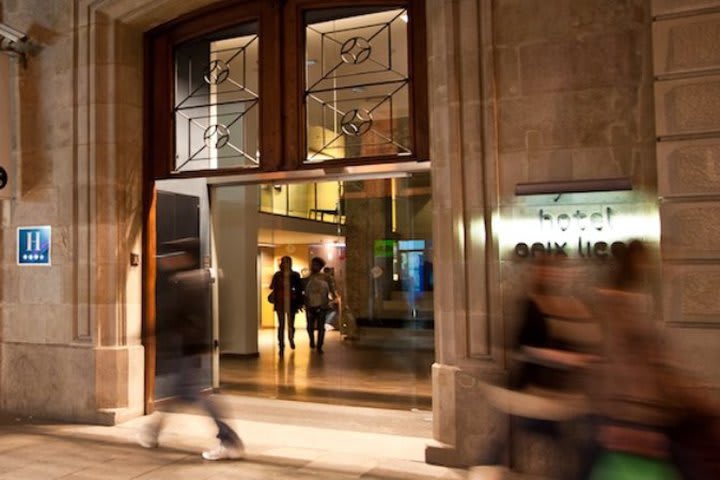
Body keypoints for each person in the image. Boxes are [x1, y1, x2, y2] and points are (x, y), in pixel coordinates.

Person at [138, 238, 244, 461]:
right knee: (181, 394)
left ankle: (229, 440)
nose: (168, 260)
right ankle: (153, 431)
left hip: (187, 348)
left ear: (185, 257)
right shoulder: (195, 280)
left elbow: (174, 317)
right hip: (190, 348)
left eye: (173, 255)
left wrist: (149, 333)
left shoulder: (186, 282)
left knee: (195, 396)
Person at [268, 256, 303, 356]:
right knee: (281, 325)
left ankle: (291, 339)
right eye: (284, 262)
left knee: (291, 324)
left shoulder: (295, 275)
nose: (285, 264)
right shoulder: (278, 275)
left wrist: (299, 301)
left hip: (291, 302)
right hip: (280, 302)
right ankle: (281, 345)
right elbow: (272, 286)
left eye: (287, 262)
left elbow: (299, 289)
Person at [303, 257, 337, 354]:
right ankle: (312, 340)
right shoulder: (307, 277)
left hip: (322, 304)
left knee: (321, 326)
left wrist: (333, 298)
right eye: (313, 264)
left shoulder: (326, 278)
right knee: (309, 326)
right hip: (310, 305)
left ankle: (319, 346)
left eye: (316, 265)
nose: (314, 266)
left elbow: (332, 290)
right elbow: (304, 292)